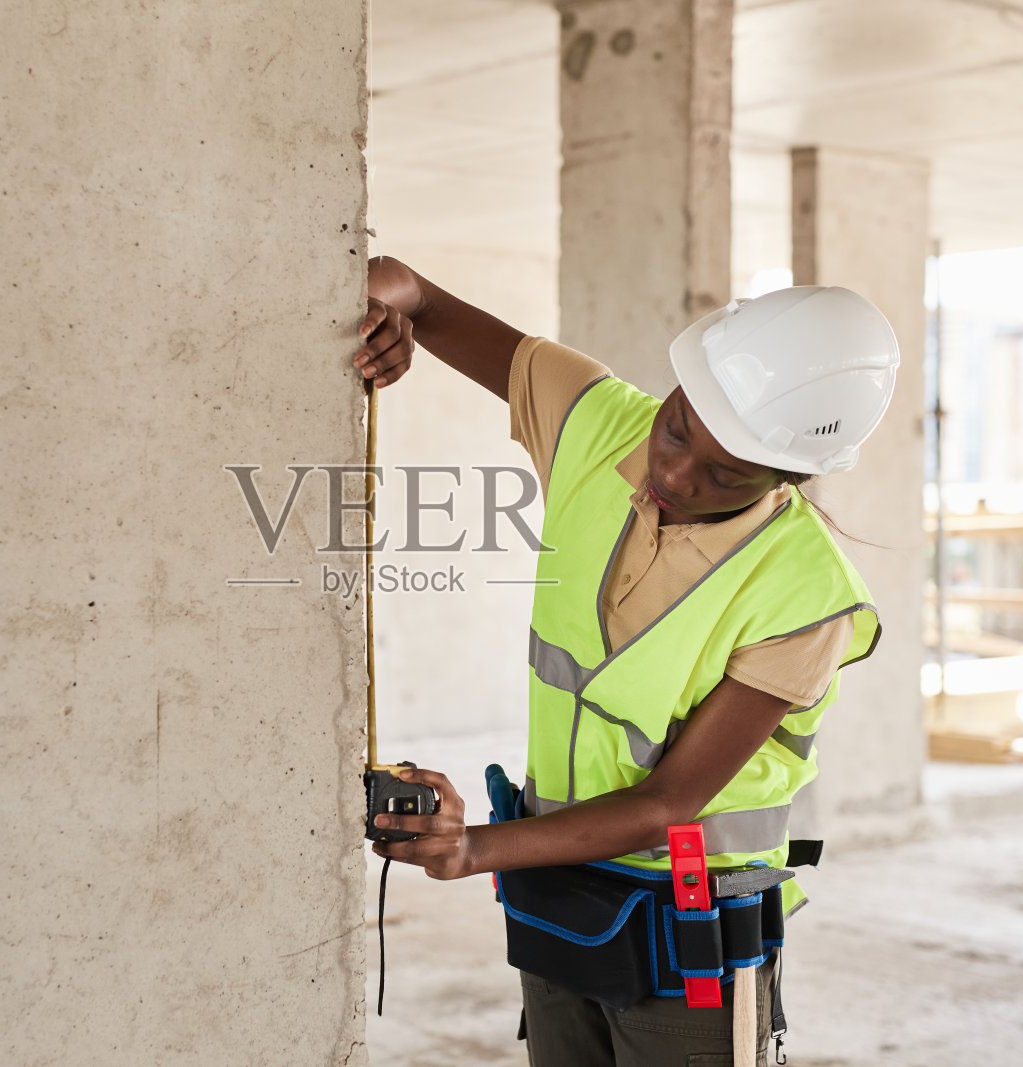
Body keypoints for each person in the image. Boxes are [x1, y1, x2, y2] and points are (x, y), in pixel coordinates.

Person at [353, 255, 898, 1067]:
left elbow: (671, 801)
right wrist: (384, 317)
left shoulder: (806, 595)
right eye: (676, 429)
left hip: (687, 934)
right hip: (556, 897)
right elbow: (413, 290)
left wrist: (472, 850)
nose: (673, 473)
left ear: (792, 473)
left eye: (726, 474)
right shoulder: (598, 422)